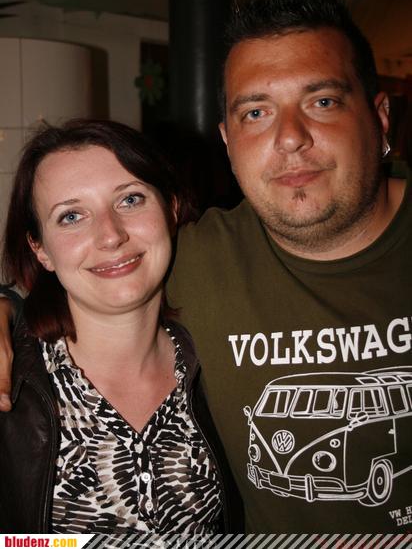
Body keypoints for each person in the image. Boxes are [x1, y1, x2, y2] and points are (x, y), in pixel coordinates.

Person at [1, 0, 411, 533]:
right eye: (256, 113)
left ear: (381, 116)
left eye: (322, 101)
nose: (290, 137)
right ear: (227, 140)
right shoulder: (199, 257)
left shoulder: (176, 281)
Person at [0, 120, 241, 533]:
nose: (110, 235)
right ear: (40, 250)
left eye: (130, 199)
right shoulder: (13, 385)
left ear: (172, 208)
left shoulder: (223, 358)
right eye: (71, 216)